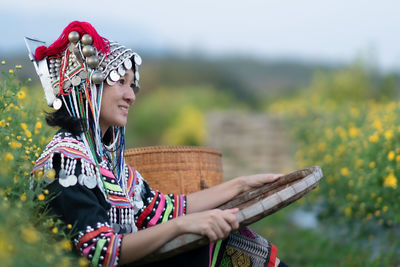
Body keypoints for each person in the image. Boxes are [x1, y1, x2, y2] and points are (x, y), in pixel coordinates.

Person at [29, 21, 288, 267]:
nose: (131, 96)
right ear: (88, 86)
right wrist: (182, 226)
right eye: (120, 82)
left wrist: (241, 184)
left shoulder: (105, 161)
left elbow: (168, 209)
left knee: (229, 239)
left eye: (132, 86)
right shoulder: (64, 161)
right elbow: (102, 252)